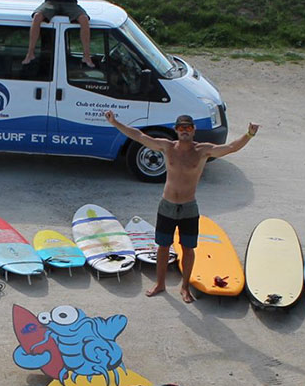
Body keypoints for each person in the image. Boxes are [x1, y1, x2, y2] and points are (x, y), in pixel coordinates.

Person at [104, 110, 259, 303]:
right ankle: (160, 284)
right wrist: (115, 122)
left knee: (188, 248)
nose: (184, 130)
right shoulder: (167, 147)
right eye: (181, 127)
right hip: (167, 206)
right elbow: (139, 136)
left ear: (193, 130)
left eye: (188, 127)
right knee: (163, 247)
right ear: (176, 130)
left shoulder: (203, 150)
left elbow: (231, 147)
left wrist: (249, 134)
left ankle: (185, 287)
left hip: (188, 208)